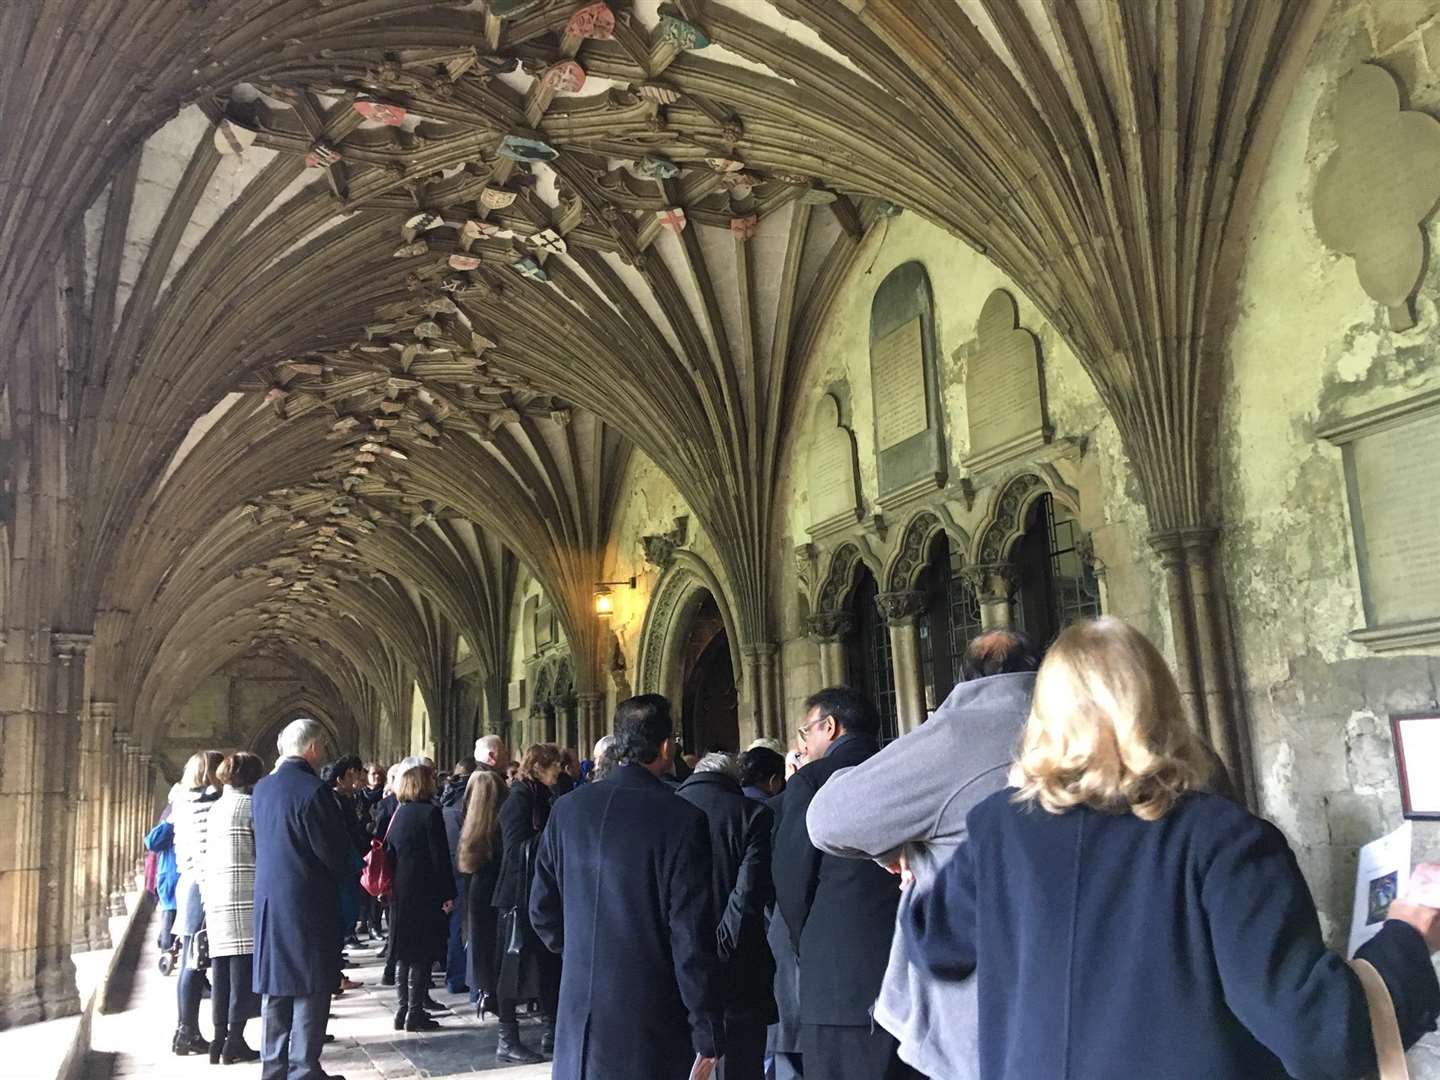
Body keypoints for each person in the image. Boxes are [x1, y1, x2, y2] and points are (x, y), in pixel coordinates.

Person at [903, 616, 1440, 1079]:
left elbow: (937, 945)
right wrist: (1406, 938)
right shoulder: (1224, 841)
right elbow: (1314, 1032)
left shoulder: (998, 827)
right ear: (1158, 703)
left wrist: (917, 881)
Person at [804, 629, 1039, 1078]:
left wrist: (897, 846)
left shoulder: (955, 735)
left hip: (971, 1007)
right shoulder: (1088, 732)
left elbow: (828, 820)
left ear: (966, 679)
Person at [530, 695, 725, 1080]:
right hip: (648, 1017)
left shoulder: (568, 810)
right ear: (667, 746)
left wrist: (585, 952)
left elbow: (541, 909)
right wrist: (707, 1030)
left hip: (578, 1015)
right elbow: (689, 936)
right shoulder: (681, 819)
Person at [773, 688, 918, 1080]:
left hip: (838, 985)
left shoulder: (813, 781)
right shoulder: (908, 768)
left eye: (806, 733)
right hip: (911, 974)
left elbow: (790, 881)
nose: (804, 744)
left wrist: (811, 945)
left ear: (830, 727)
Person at [252, 718, 356, 1080]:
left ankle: (274, 1067)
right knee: (312, 985)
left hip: (269, 902)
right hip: (308, 902)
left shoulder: (262, 789)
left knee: (276, 988)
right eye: (322, 747)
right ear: (312, 748)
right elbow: (333, 852)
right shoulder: (314, 792)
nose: (323, 753)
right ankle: (304, 1068)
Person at [677, 753, 776, 1080]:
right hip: (741, 964)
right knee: (744, 1065)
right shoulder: (751, 814)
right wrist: (722, 944)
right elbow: (748, 894)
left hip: (681, 967)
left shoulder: (667, 809)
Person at [491, 743, 565, 1064]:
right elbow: (515, 847)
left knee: (549, 962)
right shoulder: (520, 797)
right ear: (539, 767)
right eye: (554, 766)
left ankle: (552, 1030)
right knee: (513, 965)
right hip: (516, 896)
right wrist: (553, 835)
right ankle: (507, 1038)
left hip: (539, 892)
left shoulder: (542, 795)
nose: (559, 771)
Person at [202, 751, 265, 1064]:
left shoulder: (216, 808)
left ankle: (217, 1040)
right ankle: (235, 1040)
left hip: (217, 897)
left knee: (221, 972)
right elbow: (262, 851)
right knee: (241, 972)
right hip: (244, 895)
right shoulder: (251, 807)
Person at [385, 763, 456, 1032]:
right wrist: (448, 893)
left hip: (402, 888)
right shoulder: (430, 814)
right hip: (425, 889)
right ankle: (415, 1012)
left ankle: (402, 1009)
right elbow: (439, 858)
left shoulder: (400, 814)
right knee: (423, 952)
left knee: (404, 952)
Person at [170, 749, 222, 1056]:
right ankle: (187, 1031)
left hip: (188, 883)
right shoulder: (208, 804)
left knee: (191, 963)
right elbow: (208, 851)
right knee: (194, 963)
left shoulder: (183, 801)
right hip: (204, 886)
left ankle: (185, 1030)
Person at [456, 766, 506, 1016]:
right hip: (497, 892)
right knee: (496, 948)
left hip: (477, 891)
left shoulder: (471, 825)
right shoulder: (499, 826)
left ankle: (485, 994)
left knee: (482, 947)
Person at [441, 757, 476, 993]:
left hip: (452, 866)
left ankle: (455, 975)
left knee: (456, 924)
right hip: (465, 867)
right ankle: (459, 976)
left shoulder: (447, 797)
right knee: (465, 925)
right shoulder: (467, 800)